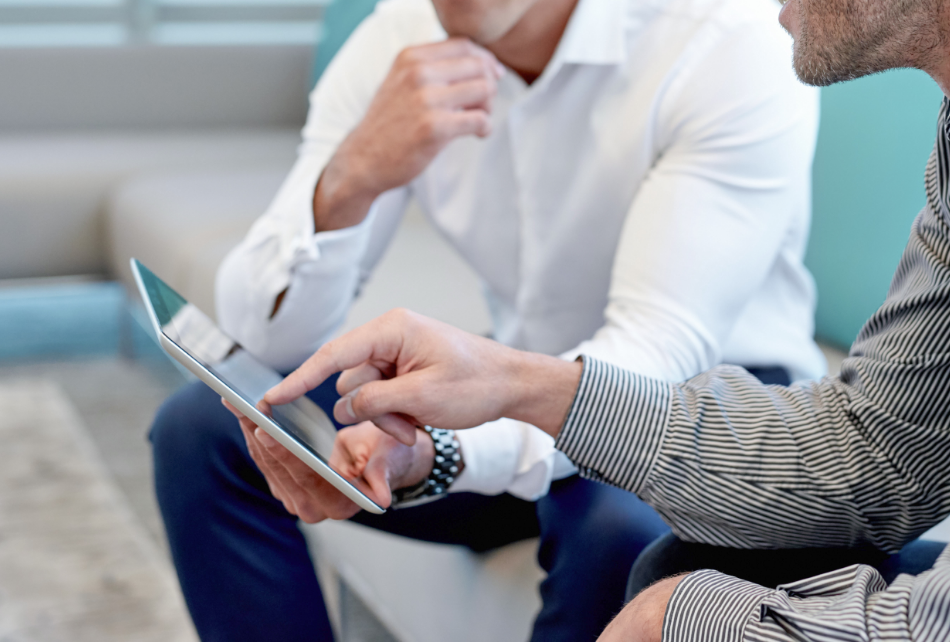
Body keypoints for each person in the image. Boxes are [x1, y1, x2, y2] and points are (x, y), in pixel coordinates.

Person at [231, 0, 950, 631]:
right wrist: (349, 178)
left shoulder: (720, 35)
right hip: (537, 381)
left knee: (623, 533)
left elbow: (656, 348)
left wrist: (455, 440)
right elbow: (263, 335)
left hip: (721, 392)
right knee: (227, 426)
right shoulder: (398, 39)